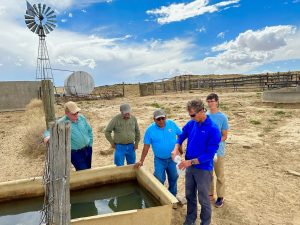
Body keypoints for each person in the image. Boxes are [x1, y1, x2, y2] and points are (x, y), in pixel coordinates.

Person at [172, 99, 221, 225]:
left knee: (204, 199)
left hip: (203, 169)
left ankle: (205, 222)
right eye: (190, 115)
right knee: (189, 195)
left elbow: (209, 155)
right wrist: (176, 147)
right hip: (190, 167)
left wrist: (190, 162)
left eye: (193, 115)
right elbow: (182, 135)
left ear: (201, 111)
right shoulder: (192, 123)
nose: (191, 117)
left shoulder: (213, 129)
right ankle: (190, 220)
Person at [135, 109, 182, 196]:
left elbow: (180, 135)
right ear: (154, 119)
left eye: (163, 118)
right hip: (159, 160)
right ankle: (161, 195)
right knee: (159, 178)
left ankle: (173, 196)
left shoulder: (172, 124)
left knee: (174, 177)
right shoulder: (150, 130)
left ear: (166, 118)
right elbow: (146, 146)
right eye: (158, 119)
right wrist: (141, 160)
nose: (161, 121)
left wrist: (180, 148)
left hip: (173, 158)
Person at [44, 101, 93, 171]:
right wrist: (47, 136)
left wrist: (90, 144)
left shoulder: (81, 118)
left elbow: (89, 130)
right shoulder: (62, 122)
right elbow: (48, 132)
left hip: (88, 149)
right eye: (73, 113)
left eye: (77, 112)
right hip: (75, 153)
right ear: (66, 113)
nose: (76, 115)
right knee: (83, 170)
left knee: (88, 168)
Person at [206, 93, 229, 208]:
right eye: (208, 101)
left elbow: (225, 136)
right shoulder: (205, 116)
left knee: (219, 174)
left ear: (217, 101)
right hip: (207, 151)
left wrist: (215, 141)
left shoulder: (222, 117)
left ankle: (220, 196)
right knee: (208, 174)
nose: (210, 103)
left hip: (218, 151)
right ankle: (210, 195)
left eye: (212, 101)